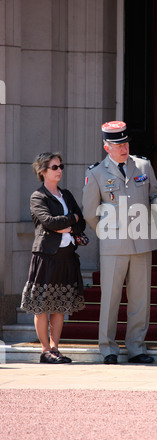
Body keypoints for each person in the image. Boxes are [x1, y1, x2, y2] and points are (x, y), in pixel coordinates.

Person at [82, 121, 157, 364]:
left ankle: (136, 347)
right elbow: (90, 213)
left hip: (142, 242)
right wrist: (107, 233)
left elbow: (154, 194)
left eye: (125, 143)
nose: (123, 148)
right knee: (110, 298)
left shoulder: (143, 165)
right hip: (114, 245)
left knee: (140, 299)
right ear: (107, 148)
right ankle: (108, 348)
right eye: (117, 145)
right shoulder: (96, 173)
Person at [21, 152, 86, 364]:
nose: (60, 170)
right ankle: (45, 349)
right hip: (47, 256)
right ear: (43, 172)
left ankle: (56, 348)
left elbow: (81, 221)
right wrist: (69, 220)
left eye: (61, 166)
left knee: (60, 304)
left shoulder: (66, 194)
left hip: (67, 254)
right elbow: (49, 221)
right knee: (42, 305)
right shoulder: (38, 196)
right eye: (55, 167)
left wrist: (68, 223)